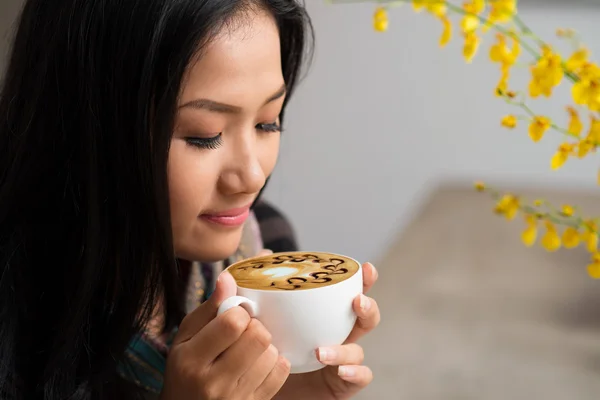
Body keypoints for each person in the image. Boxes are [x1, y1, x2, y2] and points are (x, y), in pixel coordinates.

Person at [0, 0, 381, 399]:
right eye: (204, 134)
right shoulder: (22, 333)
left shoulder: (265, 236)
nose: (252, 177)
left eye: (268, 122)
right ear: (88, 128)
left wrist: (287, 390)